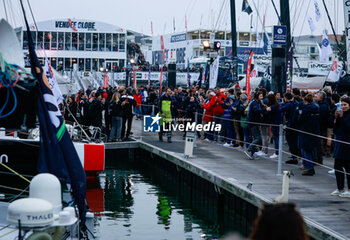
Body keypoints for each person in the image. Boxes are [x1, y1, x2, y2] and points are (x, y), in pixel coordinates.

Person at [297, 93, 320, 176]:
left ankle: (309, 167)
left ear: (305, 101)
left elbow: (300, 120)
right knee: (310, 150)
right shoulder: (317, 108)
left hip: (305, 131)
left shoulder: (306, 109)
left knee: (305, 150)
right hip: (314, 131)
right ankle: (309, 166)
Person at [331, 96, 350, 197]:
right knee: (337, 166)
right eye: (342, 105)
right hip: (339, 142)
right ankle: (340, 188)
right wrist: (336, 117)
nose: (343, 107)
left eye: (345, 105)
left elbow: (347, 127)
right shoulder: (341, 114)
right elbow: (336, 127)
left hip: (347, 144)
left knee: (348, 168)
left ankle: (349, 190)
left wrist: (342, 118)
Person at [244, 91, 270, 159]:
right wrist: (265, 108)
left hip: (256, 122)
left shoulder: (258, 103)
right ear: (257, 97)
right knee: (258, 138)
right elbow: (257, 110)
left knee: (255, 138)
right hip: (253, 123)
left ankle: (252, 153)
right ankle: (249, 149)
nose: (262, 97)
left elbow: (260, 108)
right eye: (260, 96)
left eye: (262, 96)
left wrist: (263, 107)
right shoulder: (254, 103)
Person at [267, 93, 282, 159]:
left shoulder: (273, 107)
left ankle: (277, 153)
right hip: (278, 122)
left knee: (276, 138)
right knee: (277, 138)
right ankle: (278, 152)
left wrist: (267, 110)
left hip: (274, 123)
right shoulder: (278, 105)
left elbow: (269, 114)